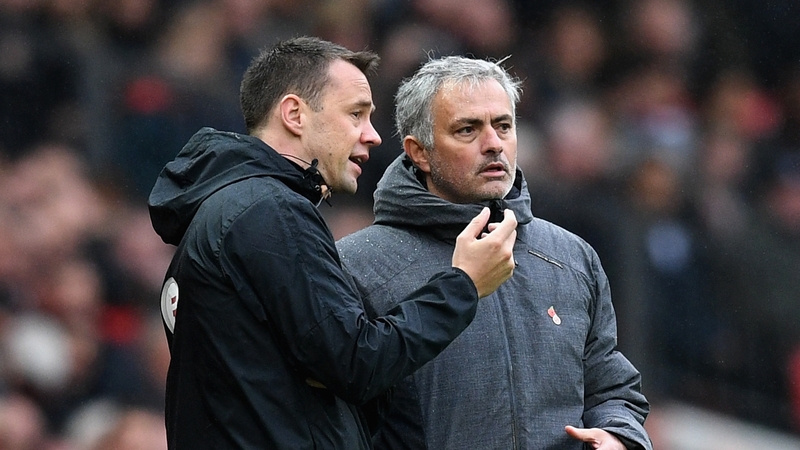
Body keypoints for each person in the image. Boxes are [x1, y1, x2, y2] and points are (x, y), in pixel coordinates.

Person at [147, 37, 518, 449]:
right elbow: (358, 363)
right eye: (356, 114)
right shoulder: (269, 212)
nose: (373, 136)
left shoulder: (227, 209)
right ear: (294, 114)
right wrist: (463, 284)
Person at [337, 56, 653, 450]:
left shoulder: (571, 257)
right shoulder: (355, 265)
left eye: (503, 126)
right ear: (419, 152)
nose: (494, 144)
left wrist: (618, 434)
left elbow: (612, 388)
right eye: (467, 130)